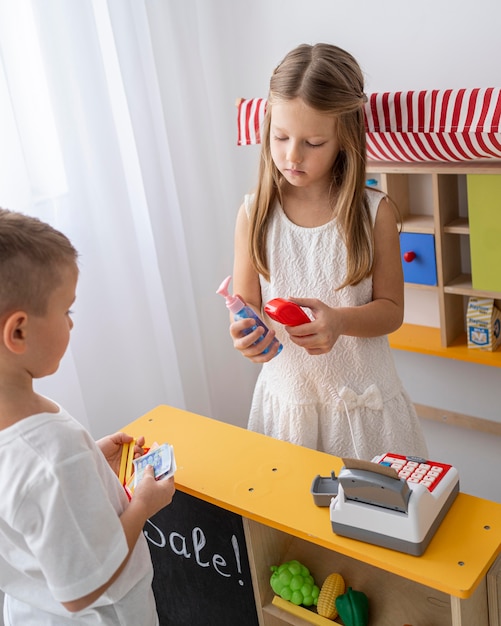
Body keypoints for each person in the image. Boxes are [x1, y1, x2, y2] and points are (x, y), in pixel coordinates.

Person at [229, 43, 428, 461]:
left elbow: (391, 310)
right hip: (287, 411)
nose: (291, 155)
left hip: (363, 415)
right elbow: (247, 303)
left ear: (345, 138)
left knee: (374, 523)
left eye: (313, 142)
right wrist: (244, 332)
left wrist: (338, 321)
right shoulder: (254, 213)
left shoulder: (376, 214)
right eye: (280, 137)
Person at [0, 208, 175, 625]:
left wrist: (91, 463)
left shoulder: (34, 446)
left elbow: (28, 507)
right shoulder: (53, 453)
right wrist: (143, 506)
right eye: (67, 312)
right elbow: (83, 589)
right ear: (18, 331)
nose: (72, 325)